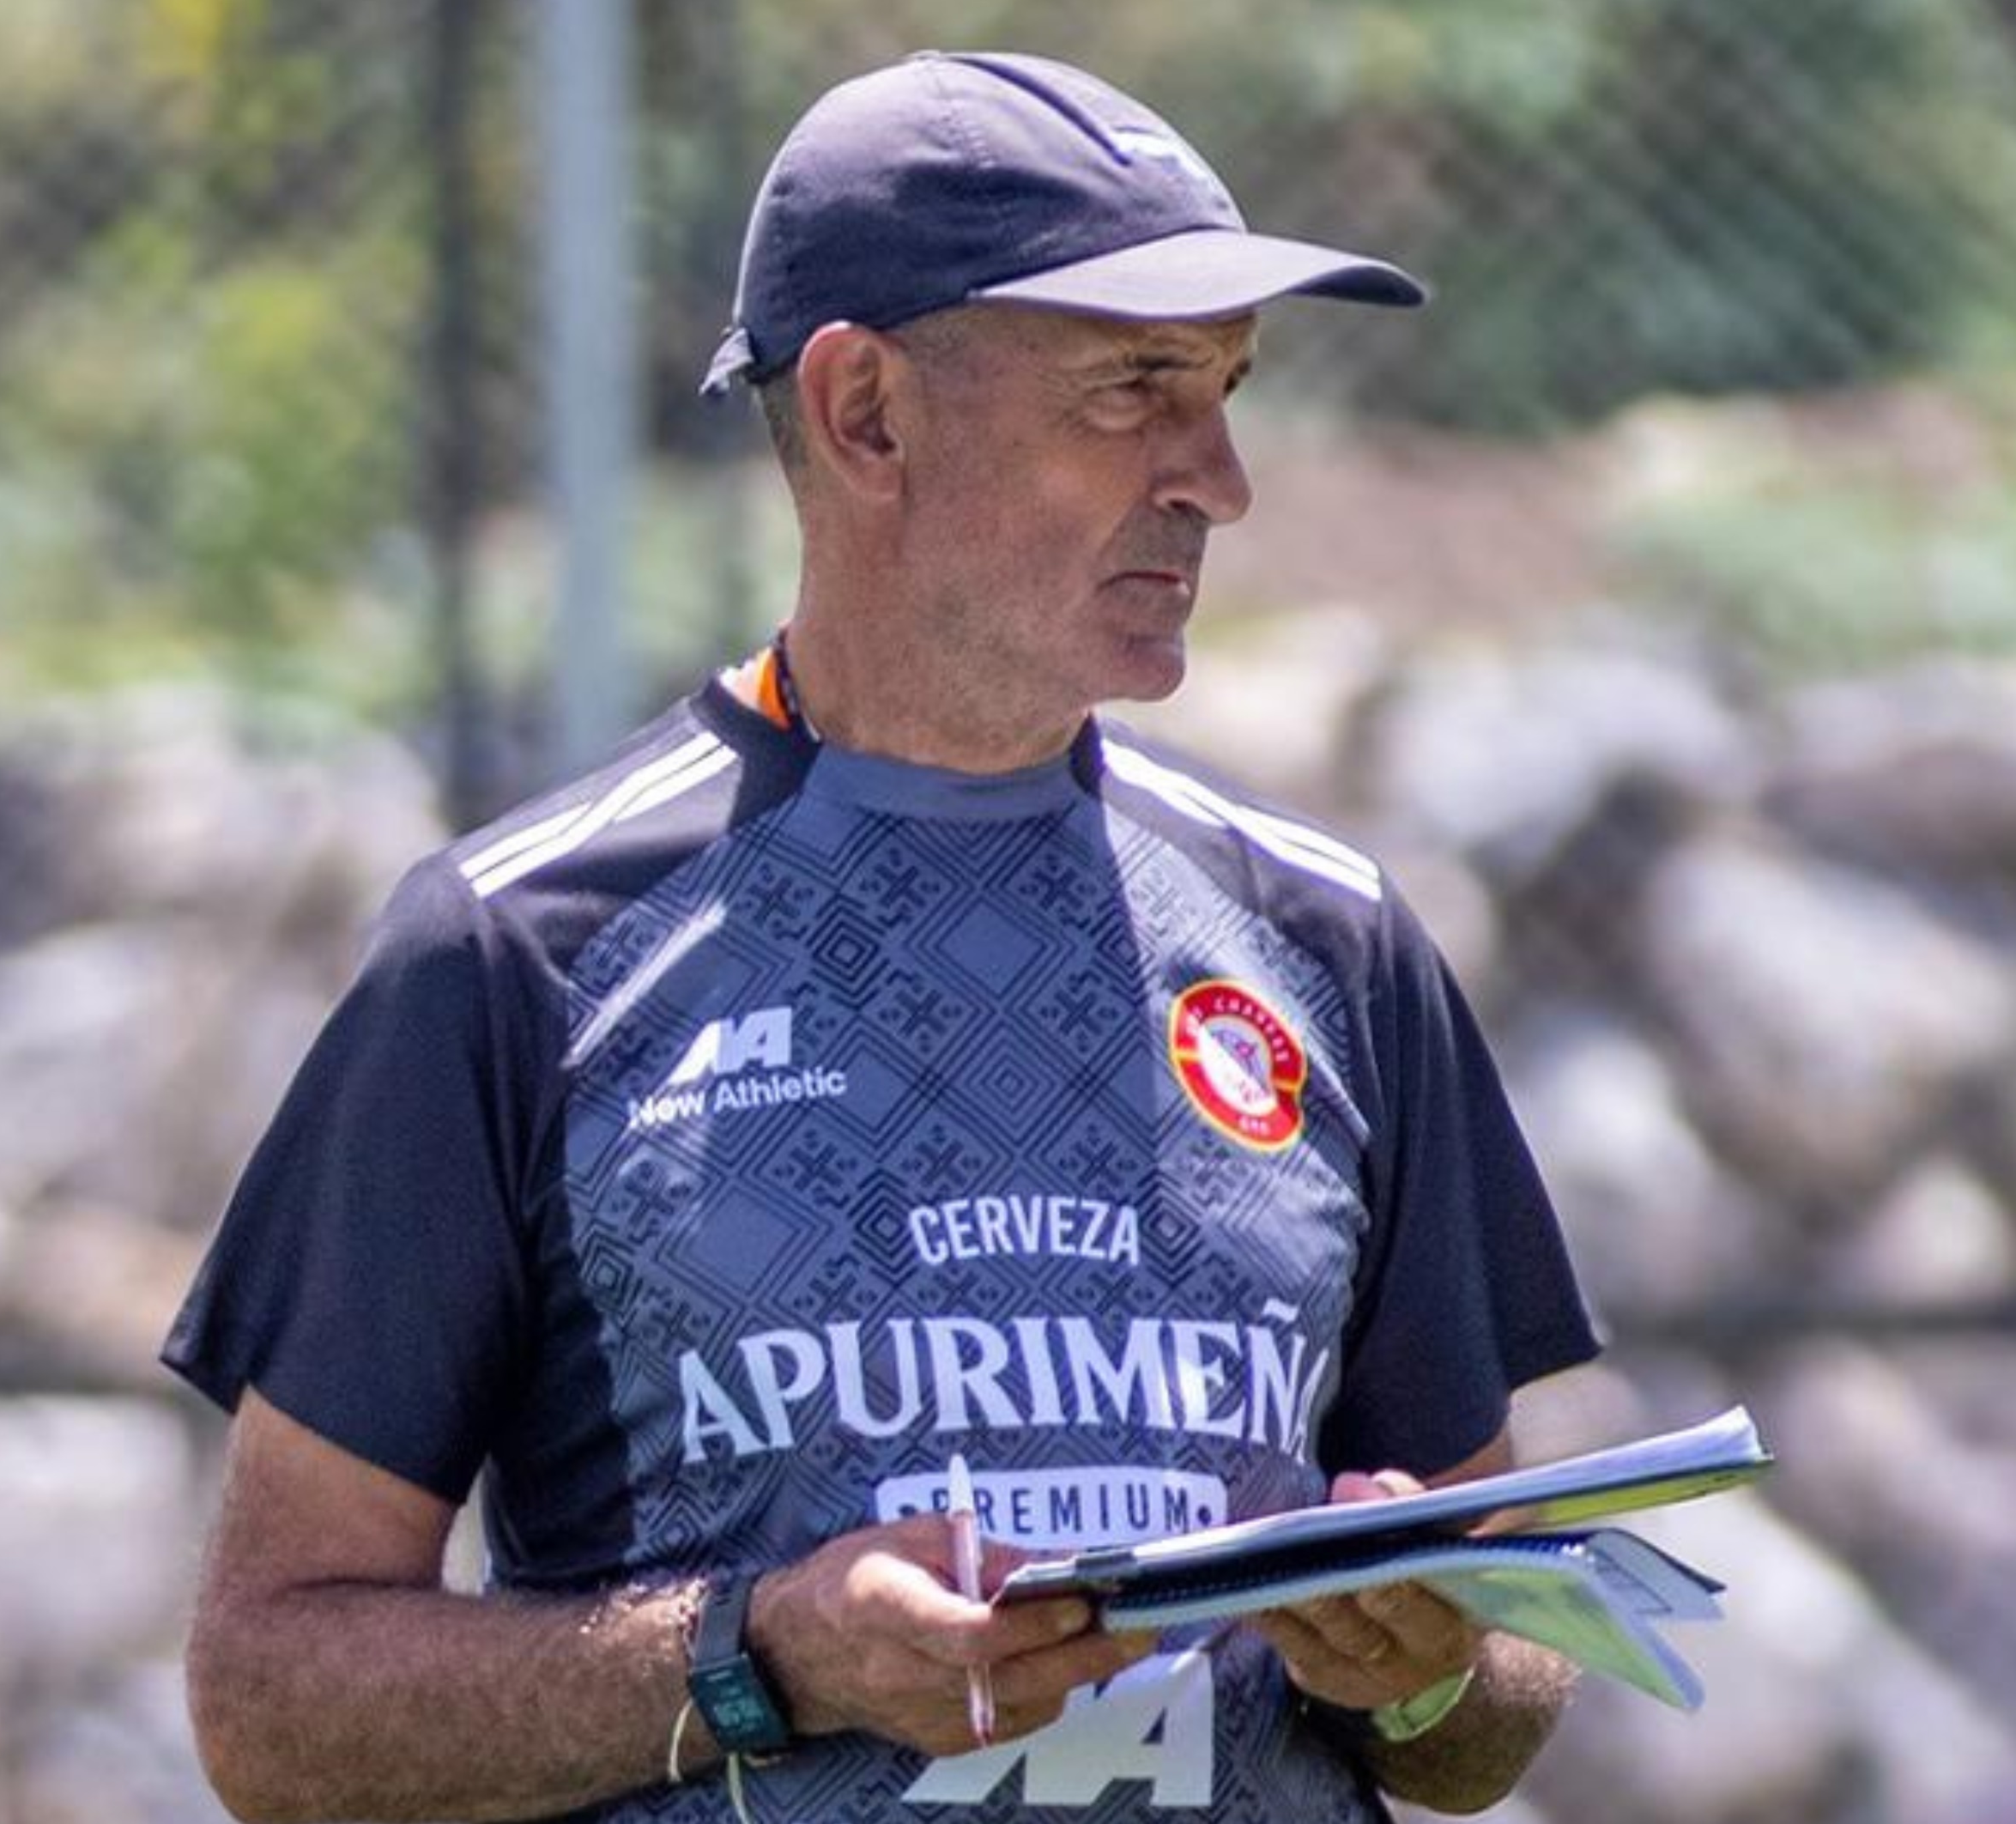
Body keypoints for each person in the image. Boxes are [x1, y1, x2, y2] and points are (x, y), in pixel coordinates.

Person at [164, 49, 1599, 1824]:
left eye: (1226, 387)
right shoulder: (517, 955)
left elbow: (1497, 1694)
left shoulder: (1330, 943)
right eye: (1134, 387)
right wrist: (758, 1656)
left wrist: (1434, 1658)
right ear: (865, 414)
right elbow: (273, 1701)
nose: (1218, 479)